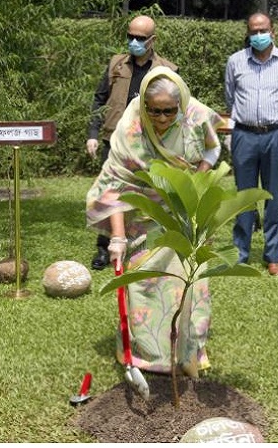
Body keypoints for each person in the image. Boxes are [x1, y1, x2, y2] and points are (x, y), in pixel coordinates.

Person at [85, 66, 226, 376]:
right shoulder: (130, 127)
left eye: (168, 111)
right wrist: (118, 239)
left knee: (190, 280)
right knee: (145, 282)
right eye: (155, 111)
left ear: (181, 105)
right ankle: (148, 354)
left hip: (184, 208)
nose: (161, 119)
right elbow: (115, 186)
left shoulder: (196, 116)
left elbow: (213, 149)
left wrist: (196, 178)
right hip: (142, 213)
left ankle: (189, 352)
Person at [86, 15, 179, 271]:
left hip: (149, 145)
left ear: (152, 40)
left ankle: (145, 246)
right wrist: (93, 133)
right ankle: (104, 248)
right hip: (114, 140)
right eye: (130, 36)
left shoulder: (167, 71)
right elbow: (99, 99)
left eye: (140, 38)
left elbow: (176, 110)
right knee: (111, 193)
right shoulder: (116, 64)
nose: (134, 42)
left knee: (148, 196)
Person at [224, 12, 278, 276]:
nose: (258, 35)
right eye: (253, 31)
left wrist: (275, 124)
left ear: (273, 31)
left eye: (262, 30)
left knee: (274, 196)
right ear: (248, 33)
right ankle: (240, 253)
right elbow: (230, 97)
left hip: (275, 134)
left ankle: (273, 256)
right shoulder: (235, 62)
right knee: (244, 197)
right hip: (244, 134)